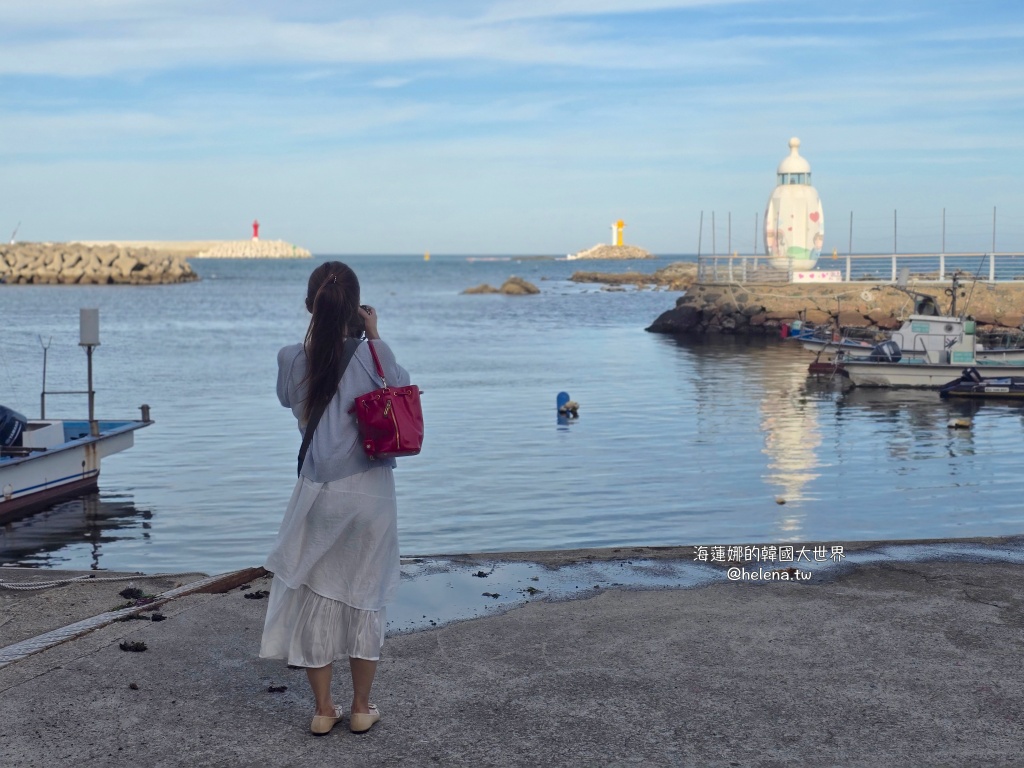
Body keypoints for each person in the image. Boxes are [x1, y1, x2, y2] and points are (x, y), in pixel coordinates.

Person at [260, 260, 410, 736]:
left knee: (316, 594)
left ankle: (324, 709)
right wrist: (374, 334)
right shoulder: (376, 355)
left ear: (311, 305)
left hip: (318, 493)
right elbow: (402, 392)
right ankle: (362, 707)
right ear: (357, 308)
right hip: (371, 494)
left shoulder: (291, 358)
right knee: (365, 595)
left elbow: (288, 400)